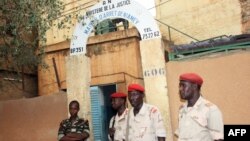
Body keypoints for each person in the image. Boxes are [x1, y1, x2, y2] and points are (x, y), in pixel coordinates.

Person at [175, 73, 224, 141]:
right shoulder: (182, 109)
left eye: (183, 86)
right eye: (180, 86)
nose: (180, 89)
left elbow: (218, 138)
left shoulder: (211, 110)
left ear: (194, 86)